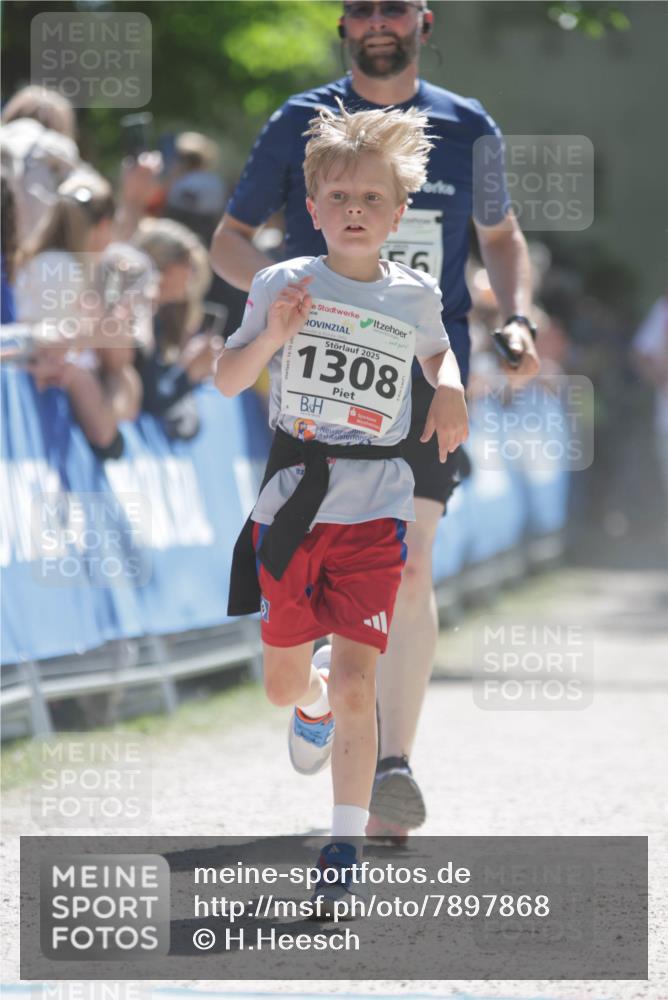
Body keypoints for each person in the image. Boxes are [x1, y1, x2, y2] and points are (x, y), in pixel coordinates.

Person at [211, 0, 539, 840]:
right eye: (361, 10)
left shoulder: (470, 127)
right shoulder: (301, 122)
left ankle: (391, 763)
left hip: (426, 381)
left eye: (393, 7)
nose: (377, 23)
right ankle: (326, 702)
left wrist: (517, 316)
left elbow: (501, 237)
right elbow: (228, 239)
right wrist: (295, 305)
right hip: (317, 397)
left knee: (414, 559)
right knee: (305, 613)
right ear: (344, 26)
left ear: (424, 20)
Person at [215, 102, 467, 910]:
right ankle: (312, 702)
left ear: (398, 213)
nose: (354, 213)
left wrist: (452, 388)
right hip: (293, 505)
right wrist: (269, 340)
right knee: (285, 683)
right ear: (311, 211)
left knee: (364, 680)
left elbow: (436, 346)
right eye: (339, 200)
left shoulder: (414, 293)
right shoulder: (282, 282)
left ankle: (342, 847)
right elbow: (225, 378)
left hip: (378, 510)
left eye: (371, 200)